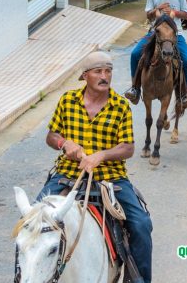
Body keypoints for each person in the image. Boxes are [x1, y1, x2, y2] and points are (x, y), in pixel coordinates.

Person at [37, 51, 153, 283]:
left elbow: (128, 148)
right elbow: (51, 136)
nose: (104, 76)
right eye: (98, 71)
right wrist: (64, 143)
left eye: (108, 71)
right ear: (85, 76)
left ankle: (140, 280)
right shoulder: (68, 101)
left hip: (111, 179)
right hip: (67, 175)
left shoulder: (120, 106)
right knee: (32, 222)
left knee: (141, 225)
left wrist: (101, 155)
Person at [126, 0, 187, 106]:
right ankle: (135, 88)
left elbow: (186, 14)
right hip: (155, 32)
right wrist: (158, 9)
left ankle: (183, 94)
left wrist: (173, 12)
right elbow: (148, 14)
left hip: (175, 33)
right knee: (135, 54)